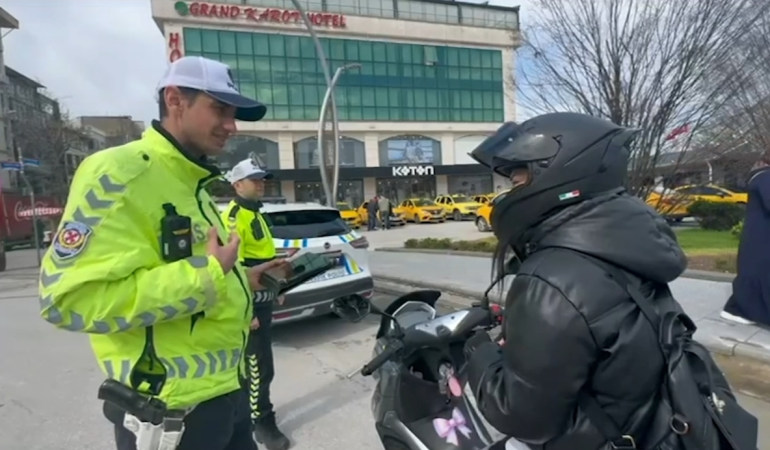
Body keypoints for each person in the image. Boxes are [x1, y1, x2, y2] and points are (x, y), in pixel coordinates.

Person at [38, 55, 284, 450]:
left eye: (234, 113)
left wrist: (243, 281)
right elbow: (67, 300)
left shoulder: (195, 185)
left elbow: (198, 273)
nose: (231, 126)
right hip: (169, 416)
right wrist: (206, 275)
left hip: (226, 396)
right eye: (219, 109)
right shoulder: (117, 173)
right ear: (175, 100)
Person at [463, 113, 691, 449]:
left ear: (560, 172)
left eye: (515, 180)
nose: (506, 193)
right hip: (647, 427)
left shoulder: (552, 278)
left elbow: (519, 416)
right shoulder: (627, 243)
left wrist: (477, 350)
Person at [221, 159, 290, 450]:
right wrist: (245, 310)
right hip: (248, 304)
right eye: (254, 180)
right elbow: (234, 268)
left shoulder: (255, 213)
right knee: (257, 367)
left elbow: (260, 259)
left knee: (262, 364)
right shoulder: (235, 217)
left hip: (262, 298)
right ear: (237, 185)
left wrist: (278, 285)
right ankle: (260, 421)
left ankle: (251, 415)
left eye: (263, 179)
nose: (261, 184)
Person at [722, 156, 770, 326]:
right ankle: (741, 311)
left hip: (762, 239)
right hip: (761, 240)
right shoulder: (764, 177)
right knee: (758, 275)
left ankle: (742, 309)